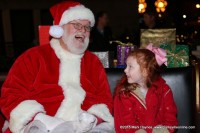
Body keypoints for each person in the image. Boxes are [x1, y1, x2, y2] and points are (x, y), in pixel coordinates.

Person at [0, 1, 114, 133]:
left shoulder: (93, 62)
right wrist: (41, 119)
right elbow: (10, 95)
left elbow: (105, 100)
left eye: (87, 27)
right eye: (77, 25)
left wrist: (93, 118)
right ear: (60, 28)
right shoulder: (33, 57)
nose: (83, 30)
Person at [114, 44, 178, 133]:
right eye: (126, 66)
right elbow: (128, 122)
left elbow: (170, 119)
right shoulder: (125, 92)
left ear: (145, 71)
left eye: (130, 67)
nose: (125, 70)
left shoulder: (164, 90)